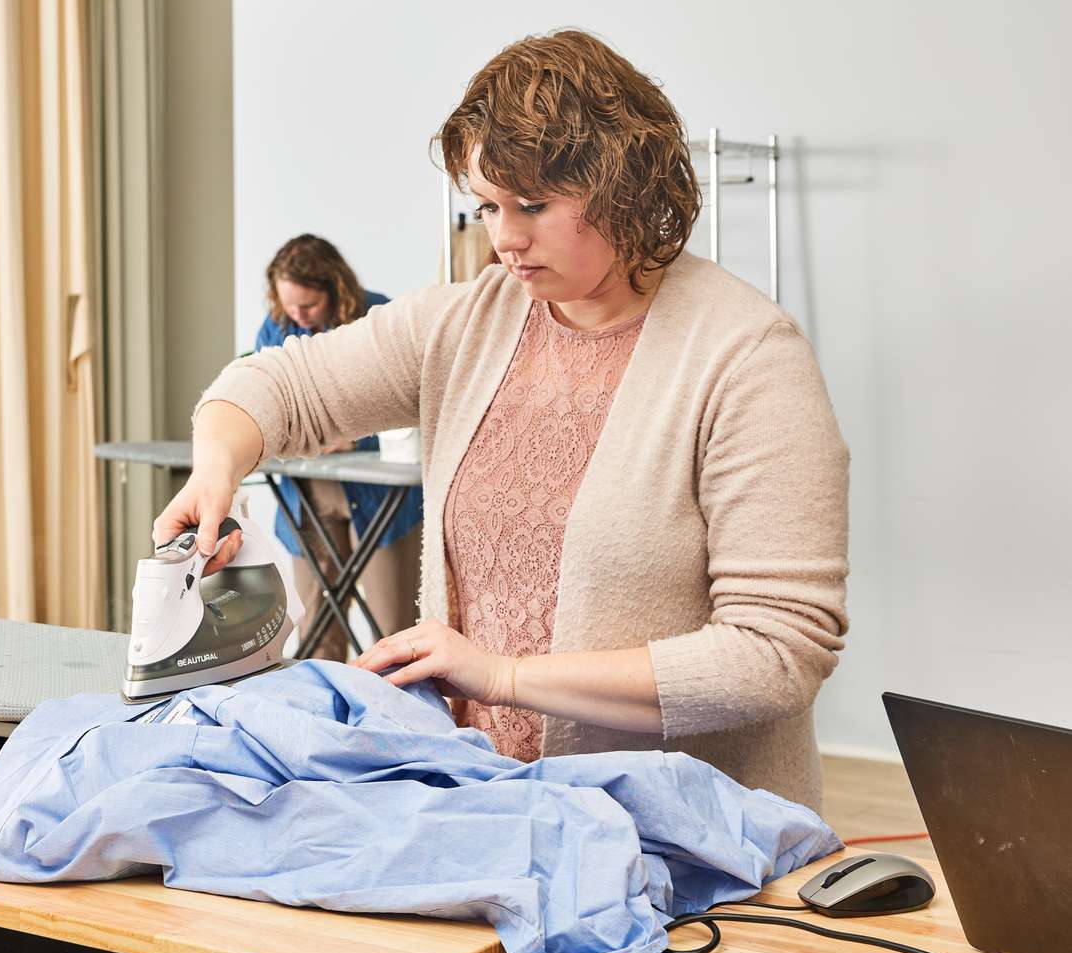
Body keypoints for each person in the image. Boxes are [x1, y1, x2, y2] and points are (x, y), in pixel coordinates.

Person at [156, 30, 848, 812]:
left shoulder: (748, 358)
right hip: (492, 809)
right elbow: (275, 383)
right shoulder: (468, 322)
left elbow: (774, 655)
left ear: (625, 184)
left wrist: (507, 676)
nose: (506, 240)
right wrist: (215, 474)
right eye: (487, 205)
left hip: (693, 839)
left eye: (534, 205)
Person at [252, 235, 425, 661]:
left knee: (395, 629)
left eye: (308, 307)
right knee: (318, 629)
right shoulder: (277, 327)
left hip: (382, 497)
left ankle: (401, 720)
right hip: (308, 495)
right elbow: (266, 397)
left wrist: (355, 435)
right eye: (289, 305)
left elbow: (411, 399)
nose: (298, 316)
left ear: (335, 290)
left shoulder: (378, 317)